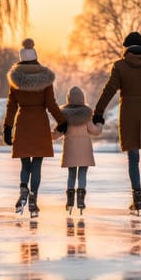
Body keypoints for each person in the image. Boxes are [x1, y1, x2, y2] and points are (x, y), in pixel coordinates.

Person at [93, 31, 141, 214]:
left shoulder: (120, 66)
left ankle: (136, 196)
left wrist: (98, 112)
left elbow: (109, 90)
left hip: (128, 116)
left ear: (127, 47)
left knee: (133, 159)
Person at [4, 38, 67, 217]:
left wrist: (7, 127)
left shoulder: (15, 79)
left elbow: (11, 106)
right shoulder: (45, 78)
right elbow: (51, 104)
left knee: (25, 163)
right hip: (40, 123)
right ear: (36, 57)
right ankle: (33, 197)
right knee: (37, 162)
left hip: (23, 122)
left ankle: (23, 189)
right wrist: (62, 121)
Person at [52, 86, 103, 214]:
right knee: (82, 173)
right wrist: (100, 123)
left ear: (68, 99)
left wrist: (48, 134)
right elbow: (95, 131)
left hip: (70, 149)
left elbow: (56, 134)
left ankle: (70, 200)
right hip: (84, 150)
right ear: (82, 98)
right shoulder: (87, 115)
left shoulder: (64, 116)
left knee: (71, 174)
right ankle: (80, 198)